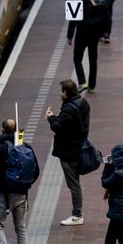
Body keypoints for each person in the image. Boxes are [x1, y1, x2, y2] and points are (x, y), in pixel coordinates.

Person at [47, 79, 91, 226]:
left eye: (61, 91)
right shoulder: (82, 102)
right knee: (75, 182)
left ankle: (77, 214)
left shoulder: (69, 109)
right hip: (77, 147)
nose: (60, 93)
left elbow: (58, 126)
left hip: (69, 151)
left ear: (65, 92)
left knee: (73, 184)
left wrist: (51, 117)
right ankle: (77, 213)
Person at [68, 0, 110, 93]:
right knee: (93, 59)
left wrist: (70, 35)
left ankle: (82, 83)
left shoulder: (80, 1)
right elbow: (107, 19)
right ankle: (92, 86)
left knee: (77, 58)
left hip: (81, 33)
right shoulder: (102, 3)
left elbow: (73, 19)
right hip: (95, 35)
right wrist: (105, 32)